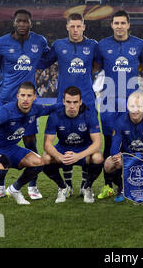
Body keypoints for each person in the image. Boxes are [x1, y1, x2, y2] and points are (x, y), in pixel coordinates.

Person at [0, 9, 51, 200]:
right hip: (5, 101)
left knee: (30, 140)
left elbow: (46, 60)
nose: (23, 24)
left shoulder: (39, 41)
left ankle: (32, 186)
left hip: (29, 103)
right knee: (1, 141)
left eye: (26, 21)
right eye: (19, 21)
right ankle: (0, 184)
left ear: (31, 23)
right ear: (14, 22)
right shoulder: (0, 43)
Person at [40, 13, 100, 195]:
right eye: (72, 26)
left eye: (78, 26)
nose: (75, 30)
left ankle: (84, 185)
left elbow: (98, 64)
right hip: (63, 102)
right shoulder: (59, 45)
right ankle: (67, 185)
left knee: (88, 142)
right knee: (64, 139)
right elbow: (43, 62)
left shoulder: (93, 45)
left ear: (84, 27)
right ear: (67, 27)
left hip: (87, 101)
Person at [0, 82, 61, 210]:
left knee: (40, 162)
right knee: (0, 167)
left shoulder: (36, 109)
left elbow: (50, 109)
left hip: (11, 148)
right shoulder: (6, 111)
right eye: (22, 95)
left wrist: (68, 104)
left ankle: (14, 189)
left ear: (34, 97)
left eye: (29, 95)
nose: (25, 99)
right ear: (17, 96)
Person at [96, 10, 143, 199]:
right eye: (116, 23)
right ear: (112, 25)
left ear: (128, 25)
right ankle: (108, 185)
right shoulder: (102, 45)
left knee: (130, 144)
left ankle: (128, 184)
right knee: (110, 144)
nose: (119, 26)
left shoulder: (139, 44)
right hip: (109, 103)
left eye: (122, 23)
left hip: (131, 104)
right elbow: (96, 66)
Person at [42, 86, 103, 203]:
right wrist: (60, 157)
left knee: (98, 157)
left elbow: (97, 143)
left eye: (75, 102)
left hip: (83, 150)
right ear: (63, 101)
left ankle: (87, 187)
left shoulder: (89, 114)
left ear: (80, 102)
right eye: (68, 102)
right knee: (45, 158)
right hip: (63, 149)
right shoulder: (55, 116)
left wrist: (78, 156)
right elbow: (47, 144)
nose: (72, 106)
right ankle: (63, 187)